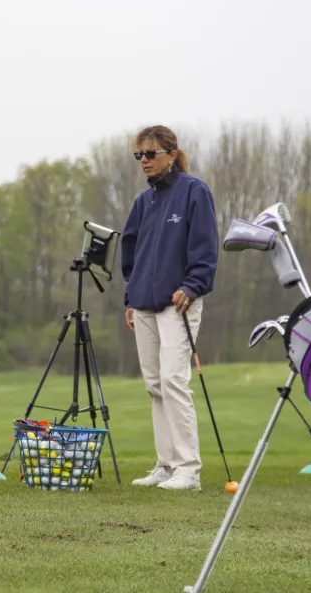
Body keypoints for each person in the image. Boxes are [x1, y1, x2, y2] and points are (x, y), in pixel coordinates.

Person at [120, 125, 219, 491]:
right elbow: (131, 252)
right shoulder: (143, 202)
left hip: (178, 303)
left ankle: (188, 470)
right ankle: (166, 464)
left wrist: (193, 286)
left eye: (150, 154)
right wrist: (130, 298)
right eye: (139, 155)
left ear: (171, 155)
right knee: (154, 384)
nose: (144, 161)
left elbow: (206, 248)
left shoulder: (195, 191)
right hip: (143, 305)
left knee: (174, 381)